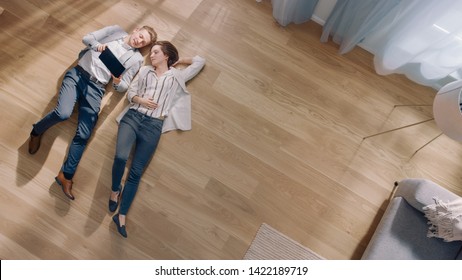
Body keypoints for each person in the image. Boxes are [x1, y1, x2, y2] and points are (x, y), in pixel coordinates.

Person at [28, 25, 157, 200]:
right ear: (136, 30)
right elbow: (87, 38)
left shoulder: (135, 59)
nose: (139, 41)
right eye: (140, 36)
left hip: (96, 88)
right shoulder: (115, 31)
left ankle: (65, 176)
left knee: (84, 133)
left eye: (143, 42)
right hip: (78, 75)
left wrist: (118, 81)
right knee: (63, 113)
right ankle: (36, 131)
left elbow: (123, 86)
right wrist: (97, 46)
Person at [109, 41, 205, 238]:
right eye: (151, 52)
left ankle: (121, 216)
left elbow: (200, 62)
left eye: (155, 52)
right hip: (133, 117)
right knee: (120, 157)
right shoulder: (144, 71)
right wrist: (140, 100)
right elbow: (131, 93)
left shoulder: (177, 76)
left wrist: (179, 61)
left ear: (166, 55)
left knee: (136, 172)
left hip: (154, 126)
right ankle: (114, 190)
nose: (151, 55)